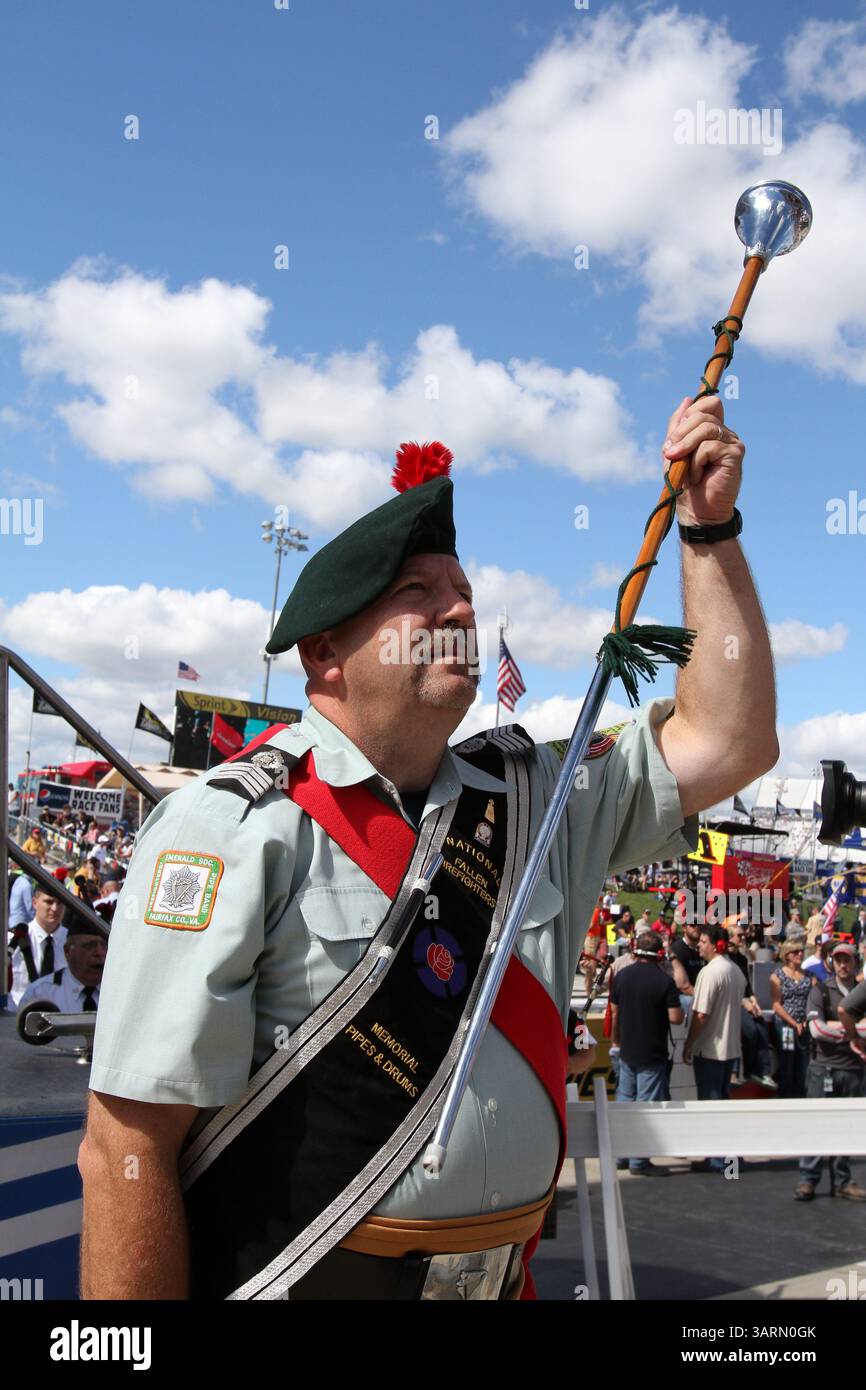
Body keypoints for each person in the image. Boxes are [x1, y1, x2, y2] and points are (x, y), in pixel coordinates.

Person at [80, 408, 779, 1302]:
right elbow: (127, 1148)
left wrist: (708, 527)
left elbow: (732, 739)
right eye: (418, 591)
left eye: (465, 593)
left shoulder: (539, 801)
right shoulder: (228, 827)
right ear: (325, 649)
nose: (461, 610)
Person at [794, 943, 866, 1201]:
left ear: (854, 961)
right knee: (817, 1125)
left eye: (846, 960)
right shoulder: (821, 991)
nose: (842, 965)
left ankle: (842, 1181)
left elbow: (827, 1029)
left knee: (847, 1128)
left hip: (854, 1070)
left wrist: (835, 1026)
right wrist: (853, 1031)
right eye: (838, 960)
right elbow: (816, 1030)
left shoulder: (862, 993)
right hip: (822, 1068)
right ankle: (808, 1180)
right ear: (831, 962)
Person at [610, 931, 682, 1174]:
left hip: (626, 1048)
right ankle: (639, 1161)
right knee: (646, 1105)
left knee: (625, 1101)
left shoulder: (622, 975)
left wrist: (615, 1041)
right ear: (658, 954)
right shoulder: (664, 981)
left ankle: (620, 1155)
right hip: (652, 1051)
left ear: (635, 950)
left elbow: (615, 1013)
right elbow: (676, 1017)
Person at [683, 925, 746, 1171]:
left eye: (704, 941)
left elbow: (700, 1015)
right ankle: (726, 1157)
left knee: (710, 1105)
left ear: (716, 945)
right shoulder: (736, 971)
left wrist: (689, 1043)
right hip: (729, 1048)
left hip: (710, 1049)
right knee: (721, 1102)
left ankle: (719, 1159)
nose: (699, 944)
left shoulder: (710, 973)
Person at [17, 916, 107, 1017]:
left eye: (105, 946)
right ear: (67, 951)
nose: (99, 952)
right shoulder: (41, 993)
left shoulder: (119, 992)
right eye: (89, 945)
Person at [728, 922, 775, 1088]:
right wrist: (744, 1002)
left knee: (761, 1026)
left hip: (745, 1001)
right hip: (731, 1003)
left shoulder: (741, 958)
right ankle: (746, 1071)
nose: (743, 938)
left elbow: (747, 984)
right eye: (739, 935)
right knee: (749, 1030)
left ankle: (761, 1071)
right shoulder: (725, 959)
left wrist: (753, 1000)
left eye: (743, 935)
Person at [8, 886, 69, 1009]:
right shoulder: (13, 940)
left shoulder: (71, 942)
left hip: (61, 1015)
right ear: (34, 903)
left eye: (60, 903)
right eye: (49, 902)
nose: (55, 908)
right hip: (17, 1014)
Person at [770, 939, 811, 1098]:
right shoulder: (777, 975)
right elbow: (776, 1004)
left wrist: (806, 1020)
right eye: (795, 952)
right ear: (786, 955)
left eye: (801, 951)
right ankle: (786, 1096)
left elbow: (813, 998)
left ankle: (801, 1095)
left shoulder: (808, 975)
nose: (800, 954)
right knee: (787, 1061)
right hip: (785, 1023)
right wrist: (794, 1023)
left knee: (803, 1063)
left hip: (804, 1023)